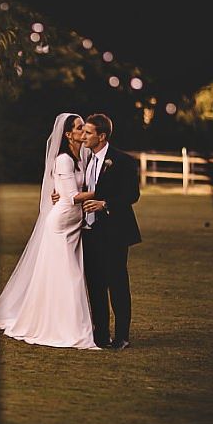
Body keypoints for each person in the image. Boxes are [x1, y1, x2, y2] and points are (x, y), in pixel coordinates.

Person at [0, 113, 99, 349]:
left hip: (74, 223)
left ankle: (65, 322)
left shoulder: (83, 156)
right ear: (68, 134)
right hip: (61, 224)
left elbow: (73, 187)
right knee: (70, 276)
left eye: (85, 130)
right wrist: (102, 193)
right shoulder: (64, 159)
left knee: (65, 275)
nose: (84, 133)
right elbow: (70, 196)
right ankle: (65, 327)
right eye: (79, 129)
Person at [55, 113, 141, 350]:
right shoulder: (86, 159)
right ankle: (100, 334)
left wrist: (106, 204)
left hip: (114, 231)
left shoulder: (122, 161)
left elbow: (132, 195)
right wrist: (60, 194)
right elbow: (78, 187)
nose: (84, 136)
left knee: (117, 283)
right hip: (89, 231)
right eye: (83, 131)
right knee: (95, 285)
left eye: (89, 133)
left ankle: (122, 335)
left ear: (101, 136)